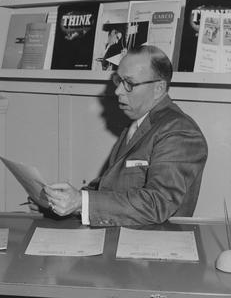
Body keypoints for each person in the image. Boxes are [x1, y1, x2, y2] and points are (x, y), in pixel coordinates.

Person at [41, 45, 208, 226]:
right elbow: (109, 186)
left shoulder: (179, 131)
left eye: (129, 83)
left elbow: (157, 204)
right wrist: (59, 202)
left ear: (159, 88)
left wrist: (80, 202)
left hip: (154, 245)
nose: (118, 91)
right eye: (118, 80)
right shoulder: (139, 123)